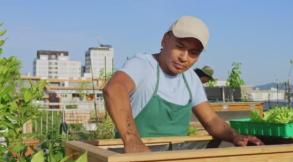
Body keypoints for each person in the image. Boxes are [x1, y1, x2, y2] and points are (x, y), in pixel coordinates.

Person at [104, 16, 262, 153]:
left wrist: (236, 137)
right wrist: (132, 141)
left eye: (194, 53)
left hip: (175, 160)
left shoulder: (190, 79)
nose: (184, 58)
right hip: (134, 158)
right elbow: (114, 89)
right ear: (165, 40)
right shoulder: (143, 65)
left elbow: (211, 121)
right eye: (179, 47)